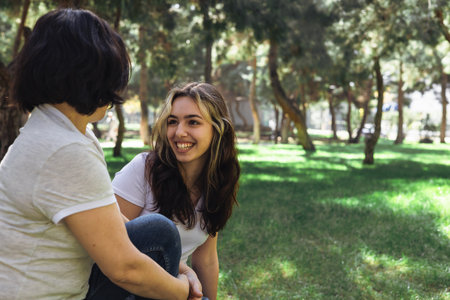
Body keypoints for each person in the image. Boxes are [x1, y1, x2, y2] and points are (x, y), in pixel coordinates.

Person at [0, 8, 189, 300]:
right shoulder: (64, 149)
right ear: (90, 75)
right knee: (157, 241)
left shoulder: (59, 129)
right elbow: (125, 269)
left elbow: (110, 220)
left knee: (156, 232)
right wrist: (185, 292)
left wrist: (179, 270)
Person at [112, 82, 241, 300]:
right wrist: (183, 272)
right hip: (124, 288)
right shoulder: (144, 169)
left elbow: (206, 258)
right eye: (173, 122)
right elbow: (111, 241)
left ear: (217, 129)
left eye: (193, 122)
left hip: (170, 291)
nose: (180, 132)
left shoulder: (217, 182)